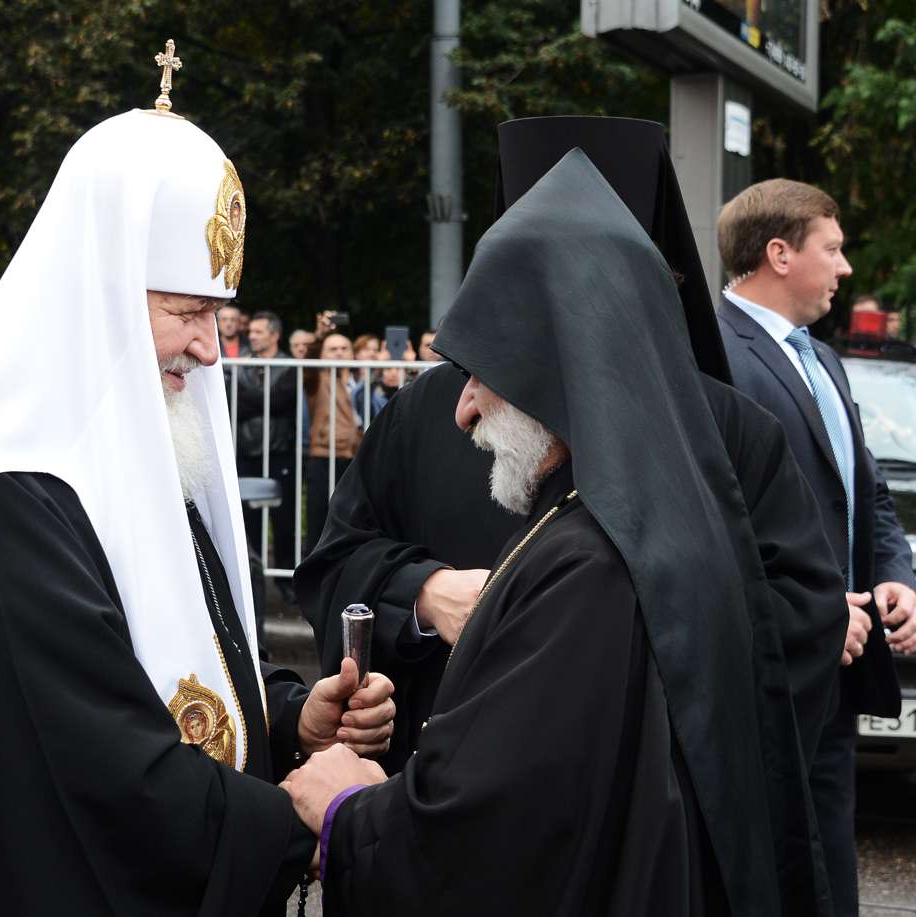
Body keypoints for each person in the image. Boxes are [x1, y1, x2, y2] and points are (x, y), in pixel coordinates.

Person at [0, 82, 395, 916]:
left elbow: (168, 647)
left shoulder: (118, 462)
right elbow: (110, 776)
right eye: (188, 310)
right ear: (100, 297)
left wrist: (287, 718)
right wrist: (300, 814)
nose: (211, 349)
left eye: (218, 314)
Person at [284, 147, 838, 917]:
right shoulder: (632, 524)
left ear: (554, 362)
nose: (462, 409)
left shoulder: (589, 566)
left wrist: (349, 811)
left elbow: (497, 829)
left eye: (482, 371)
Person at [717, 177, 916, 917]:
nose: (845, 267)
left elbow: (866, 492)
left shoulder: (825, 361)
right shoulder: (714, 355)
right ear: (779, 254)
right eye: (832, 249)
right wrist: (817, 610)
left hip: (841, 670)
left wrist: (895, 575)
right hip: (767, 670)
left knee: (829, 869)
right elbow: (720, 519)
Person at [237, 310, 298, 582]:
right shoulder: (240, 364)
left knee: (284, 520)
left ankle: (285, 582)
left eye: (258, 331)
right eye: (251, 331)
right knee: (249, 520)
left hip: (279, 450)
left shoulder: (289, 365)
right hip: (247, 449)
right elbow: (236, 403)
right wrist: (265, 400)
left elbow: (283, 400)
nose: (251, 336)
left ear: (274, 335)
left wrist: (254, 399)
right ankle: (253, 577)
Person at [303, 331, 360, 551]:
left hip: (356, 456)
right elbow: (308, 364)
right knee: (318, 519)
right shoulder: (317, 380)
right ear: (321, 355)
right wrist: (320, 335)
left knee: (353, 519)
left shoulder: (363, 381)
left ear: (353, 354)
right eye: (332, 349)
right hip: (324, 456)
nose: (339, 353)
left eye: (344, 348)